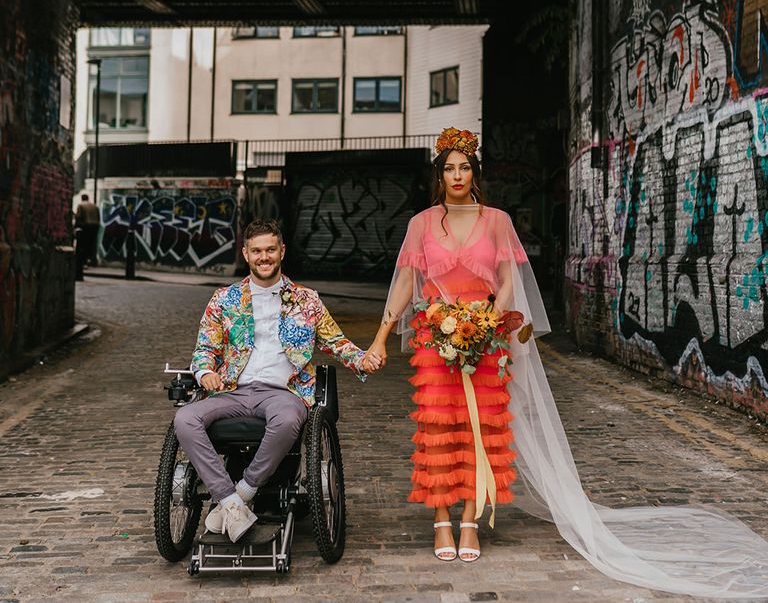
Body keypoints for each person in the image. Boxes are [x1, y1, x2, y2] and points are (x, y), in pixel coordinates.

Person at [364, 127, 768, 596]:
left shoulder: (496, 220)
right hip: (436, 344)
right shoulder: (420, 224)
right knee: (440, 432)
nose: (457, 175)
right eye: (449, 168)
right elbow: (405, 285)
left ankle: (470, 520)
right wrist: (379, 338)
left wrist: (489, 324)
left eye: (465, 167)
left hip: (484, 340)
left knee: (484, 433)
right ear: (439, 175)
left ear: (475, 172)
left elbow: (508, 280)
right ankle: (439, 519)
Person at [175, 219, 381, 543]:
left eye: (270, 249)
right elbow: (205, 348)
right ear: (246, 253)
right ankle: (230, 503)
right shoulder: (224, 300)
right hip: (234, 389)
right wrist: (206, 373)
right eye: (256, 251)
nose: (264, 257)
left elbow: (336, 342)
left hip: (283, 391)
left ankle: (242, 492)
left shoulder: (307, 300)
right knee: (185, 419)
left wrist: (363, 358)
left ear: (281, 251)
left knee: (288, 421)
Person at [74, 194, 100, 278]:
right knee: (91, 244)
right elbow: (98, 217)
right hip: (95, 226)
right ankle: (91, 260)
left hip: (86, 226)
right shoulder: (94, 206)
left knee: (83, 245)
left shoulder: (81, 205)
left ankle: (83, 262)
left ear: (82, 198)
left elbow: (79, 216)